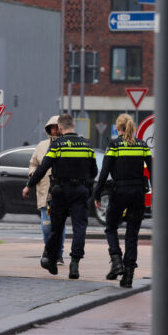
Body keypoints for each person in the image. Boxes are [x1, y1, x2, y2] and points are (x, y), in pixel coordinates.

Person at [22, 114, 97, 279]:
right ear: (74, 126)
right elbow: (94, 172)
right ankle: (75, 264)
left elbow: (42, 168)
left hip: (60, 191)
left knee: (56, 228)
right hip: (80, 191)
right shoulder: (86, 146)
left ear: (61, 128)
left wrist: (29, 185)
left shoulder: (57, 145)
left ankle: (52, 259)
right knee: (79, 228)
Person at [94, 114, 152, 288]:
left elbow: (104, 172)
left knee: (111, 227)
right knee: (132, 235)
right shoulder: (143, 145)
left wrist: (97, 194)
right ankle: (128, 277)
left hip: (119, 192)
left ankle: (116, 260)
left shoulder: (114, 145)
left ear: (117, 128)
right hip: (138, 194)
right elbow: (152, 169)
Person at [28, 116, 66, 265]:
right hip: (44, 191)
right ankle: (49, 250)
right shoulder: (41, 146)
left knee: (60, 225)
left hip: (61, 191)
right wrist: (32, 174)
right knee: (46, 225)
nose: (55, 130)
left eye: (58, 127)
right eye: (53, 127)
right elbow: (33, 164)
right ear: (49, 128)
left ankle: (58, 254)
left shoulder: (66, 144)